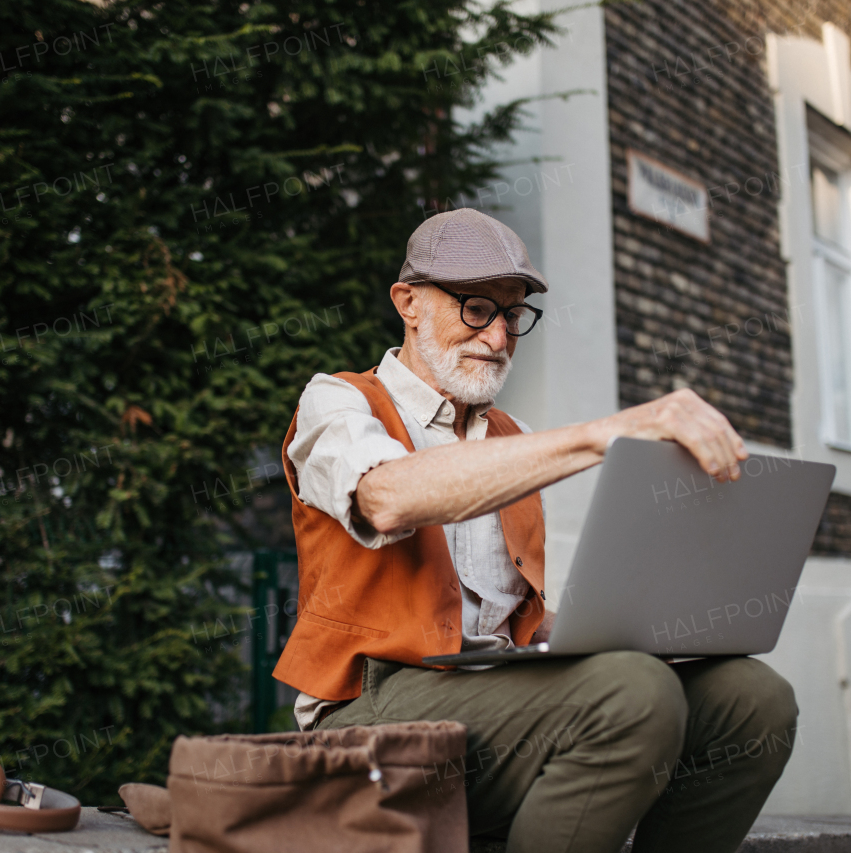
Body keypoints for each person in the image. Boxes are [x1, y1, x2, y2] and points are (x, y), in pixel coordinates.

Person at [273, 208, 798, 853]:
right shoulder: (339, 400)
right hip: (363, 718)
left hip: (499, 699)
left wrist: (628, 629)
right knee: (633, 694)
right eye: (475, 309)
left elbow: (511, 624)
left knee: (753, 700)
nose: (497, 338)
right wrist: (602, 433)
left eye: (512, 315)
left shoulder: (510, 437)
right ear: (408, 303)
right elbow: (386, 498)